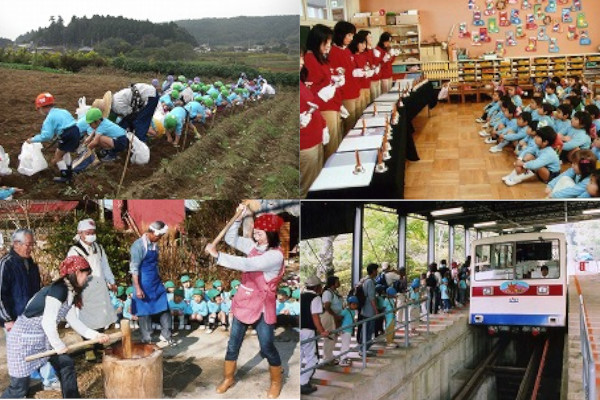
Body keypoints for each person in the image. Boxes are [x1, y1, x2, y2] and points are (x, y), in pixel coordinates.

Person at [204, 205, 286, 398]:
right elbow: (230, 239)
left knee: (266, 346)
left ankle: (276, 381)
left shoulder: (275, 256)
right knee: (233, 344)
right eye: (255, 232)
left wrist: (218, 256)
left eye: (261, 233)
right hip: (244, 300)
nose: (256, 236)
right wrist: (239, 218)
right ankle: (228, 378)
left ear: (272, 234)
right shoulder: (253, 247)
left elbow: (249, 264)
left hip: (263, 306)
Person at [1, 256, 110, 398]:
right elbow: (48, 323)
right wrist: (58, 346)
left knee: (66, 364)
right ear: (77, 273)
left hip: (44, 338)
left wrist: (96, 335)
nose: (86, 279)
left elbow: (75, 322)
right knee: (19, 388)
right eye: (86, 275)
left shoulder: (71, 292)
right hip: (23, 341)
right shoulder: (59, 290)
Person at [66, 218, 117, 361]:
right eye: (88, 232)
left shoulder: (99, 248)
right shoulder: (74, 251)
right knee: (87, 320)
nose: (91, 235)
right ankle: (89, 349)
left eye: (93, 232)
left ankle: (99, 346)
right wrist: (75, 294)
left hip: (99, 289)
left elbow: (105, 266)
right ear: (80, 233)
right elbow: (71, 273)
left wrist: (111, 281)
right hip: (84, 290)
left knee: (101, 317)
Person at [130, 221, 175, 347]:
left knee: (164, 308)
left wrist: (160, 279)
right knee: (144, 312)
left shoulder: (155, 245)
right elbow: (134, 268)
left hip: (156, 282)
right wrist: (138, 288)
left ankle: (166, 335)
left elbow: (156, 265)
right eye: (158, 236)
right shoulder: (138, 246)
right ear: (151, 232)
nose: (159, 239)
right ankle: (147, 338)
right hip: (142, 282)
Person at [304, 24, 343, 160]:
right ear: (316, 41)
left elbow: (324, 80)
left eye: (330, 43)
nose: (328, 46)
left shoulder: (320, 57)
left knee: (335, 144)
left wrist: (334, 80)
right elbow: (309, 90)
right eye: (325, 42)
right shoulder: (310, 60)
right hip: (324, 108)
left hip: (332, 104)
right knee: (331, 148)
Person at [27, 93, 80, 183]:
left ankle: (65, 177)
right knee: (65, 151)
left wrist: (32, 140)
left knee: (58, 156)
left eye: (38, 109)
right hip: (76, 131)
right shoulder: (63, 111)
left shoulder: (49, 118)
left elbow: (47, 136)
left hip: (66, 134)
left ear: (42, 108)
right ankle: (70, 170)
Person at [299, 276, 329, 395]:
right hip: (308, 330)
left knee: (301, 356)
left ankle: (299, 379)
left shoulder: (301, 296)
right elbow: (315, 316)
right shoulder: (315, 298)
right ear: (317, 287)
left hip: (299, 330)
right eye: (320, 286)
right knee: (313, 358)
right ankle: (303, 383)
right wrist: (322, 330)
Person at [329, 21, 360, 133]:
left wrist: (357, 72)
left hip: (355, 91)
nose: (351, 38)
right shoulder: (333, 52)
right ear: (340, 34)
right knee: (349, 127)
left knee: (356, 123)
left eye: (352, 35)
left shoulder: (347, 50)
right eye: (349, 35)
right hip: (345, 95)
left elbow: (350, 70)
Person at [320, 276, 343, 364]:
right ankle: (327, 358)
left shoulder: (334, 292)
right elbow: (327, 306)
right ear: (333, 283)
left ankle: (329, 356)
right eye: (337, 281)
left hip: (334, 316)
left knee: (333, 337)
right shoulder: (327, 293)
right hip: (329, 316)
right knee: (330, 337)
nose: (339, 283)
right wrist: (335, 316)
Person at [359, 263, 378, 355]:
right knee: (368, 329)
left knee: (365, 329)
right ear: (373, 271)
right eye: (376, 270)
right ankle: (363, 349)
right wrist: (376, 310)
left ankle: (363, 348)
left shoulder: (365, 280)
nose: (377, 272)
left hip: (365, 309)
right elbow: (371, 298)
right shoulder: (370, 282)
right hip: (369, 310)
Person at [338, 296, 359, 367]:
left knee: (346, 345)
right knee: (345, 345)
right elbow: (340, 318)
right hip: (345, 330)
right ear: (349, 304)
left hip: (349, 330)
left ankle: (344, 357)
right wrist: (340, 328)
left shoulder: (353, 311)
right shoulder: (346, 311)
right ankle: (342, 360)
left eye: (356, 304)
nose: (355, 306)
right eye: (353, 304)